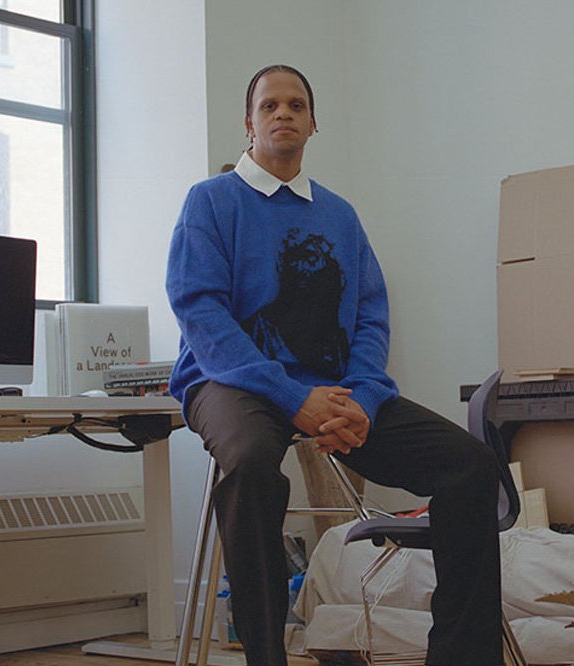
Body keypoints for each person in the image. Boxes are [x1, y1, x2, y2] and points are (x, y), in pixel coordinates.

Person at [166, 65, 505, 666]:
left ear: (313, 123)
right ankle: (266, 655)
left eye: (296, 105)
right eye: (270, 105)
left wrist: (364, 403)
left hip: (333, 394)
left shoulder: (340, 216)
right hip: (229, 382)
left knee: (470, 466)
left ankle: (461, 657)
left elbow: (371, 317)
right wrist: (294, 399)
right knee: (248, 462)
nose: (283, 114)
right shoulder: (210, 203)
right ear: (249, 122)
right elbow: (201, 314)